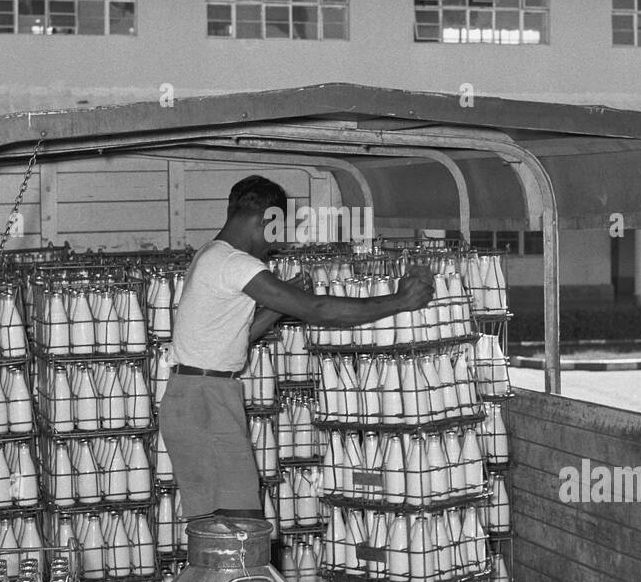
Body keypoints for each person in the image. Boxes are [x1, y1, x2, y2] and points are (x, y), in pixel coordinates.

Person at [160, 175, 435, 523]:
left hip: (195, 395)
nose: (274, 245)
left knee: (214, 522)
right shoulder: (235, 263)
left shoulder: (211, 255)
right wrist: (400, 300)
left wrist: (277, 304)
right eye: (275, 231)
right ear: (264, 219)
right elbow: (317, 310)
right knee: (239, 523)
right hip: (205, 401)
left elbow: (234, 340)